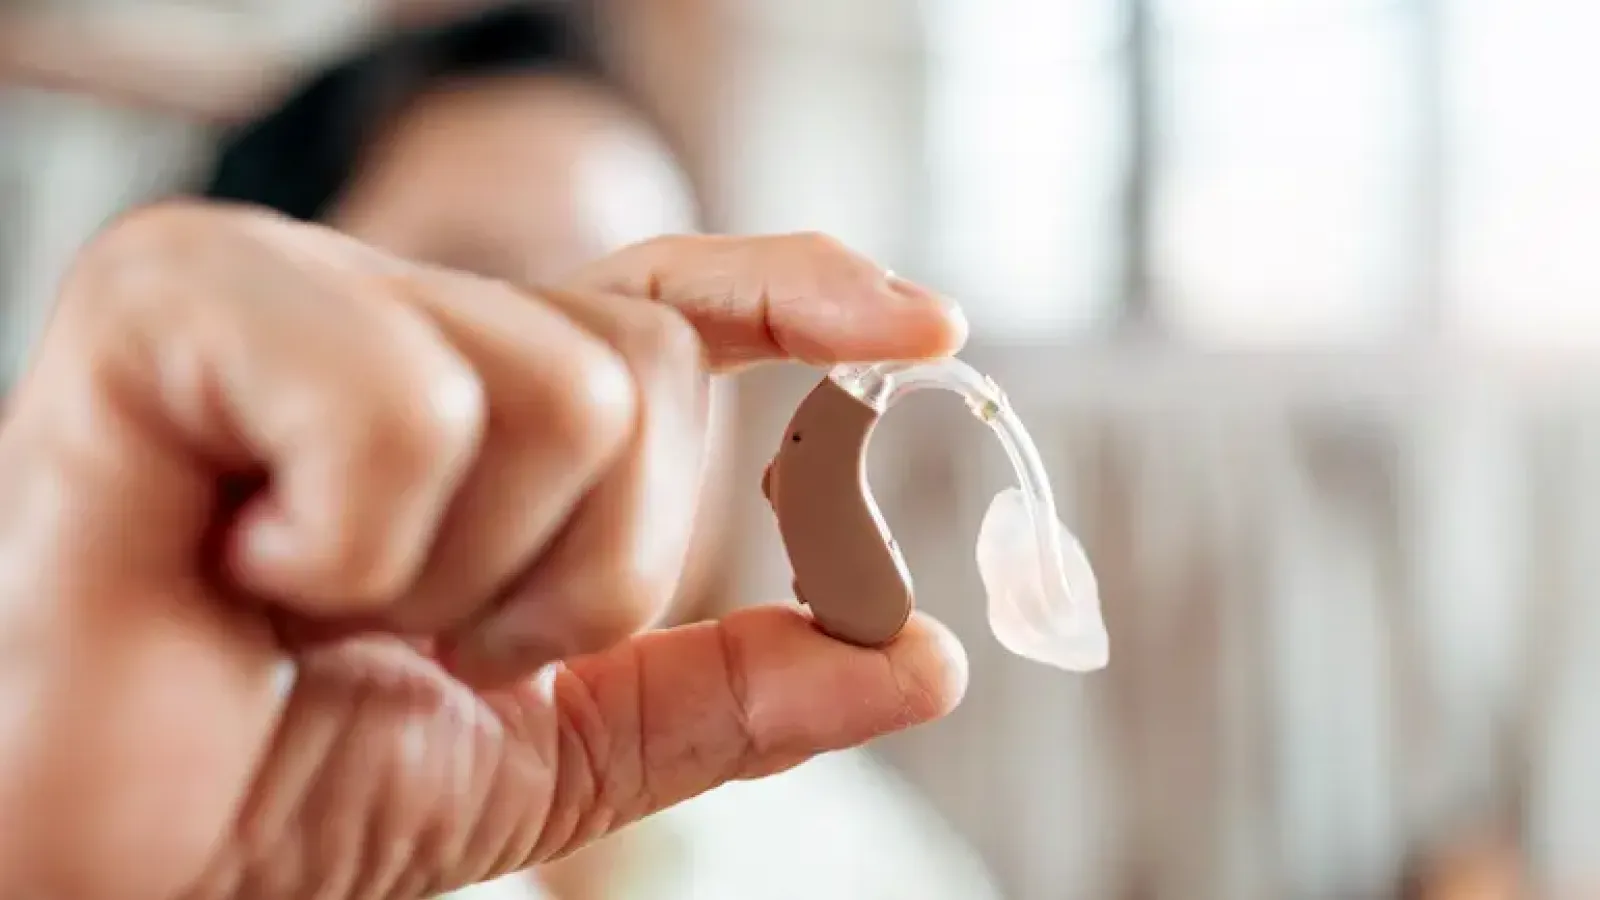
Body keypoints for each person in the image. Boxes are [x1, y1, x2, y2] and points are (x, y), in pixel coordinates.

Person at [0, 201, 971, 898]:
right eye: (470, 307)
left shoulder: (847, 853)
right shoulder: (155, 799)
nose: (582, 395)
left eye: (660, 351)